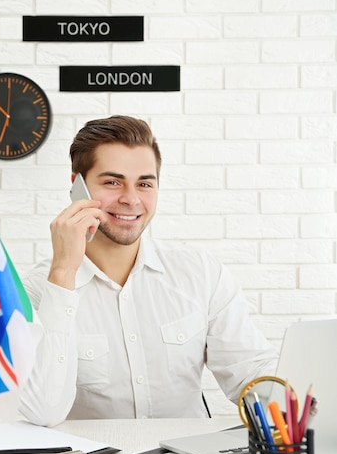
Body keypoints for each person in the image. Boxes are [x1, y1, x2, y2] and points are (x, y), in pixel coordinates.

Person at [19, 115, 278, 426]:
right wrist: (62, 271)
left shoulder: (200, 273)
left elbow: (248, 371)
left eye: (144, 183)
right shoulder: (36, 289)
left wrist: (299, 402)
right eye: (112, 182)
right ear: (78, 185)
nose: (131, 199)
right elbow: (42, 411)